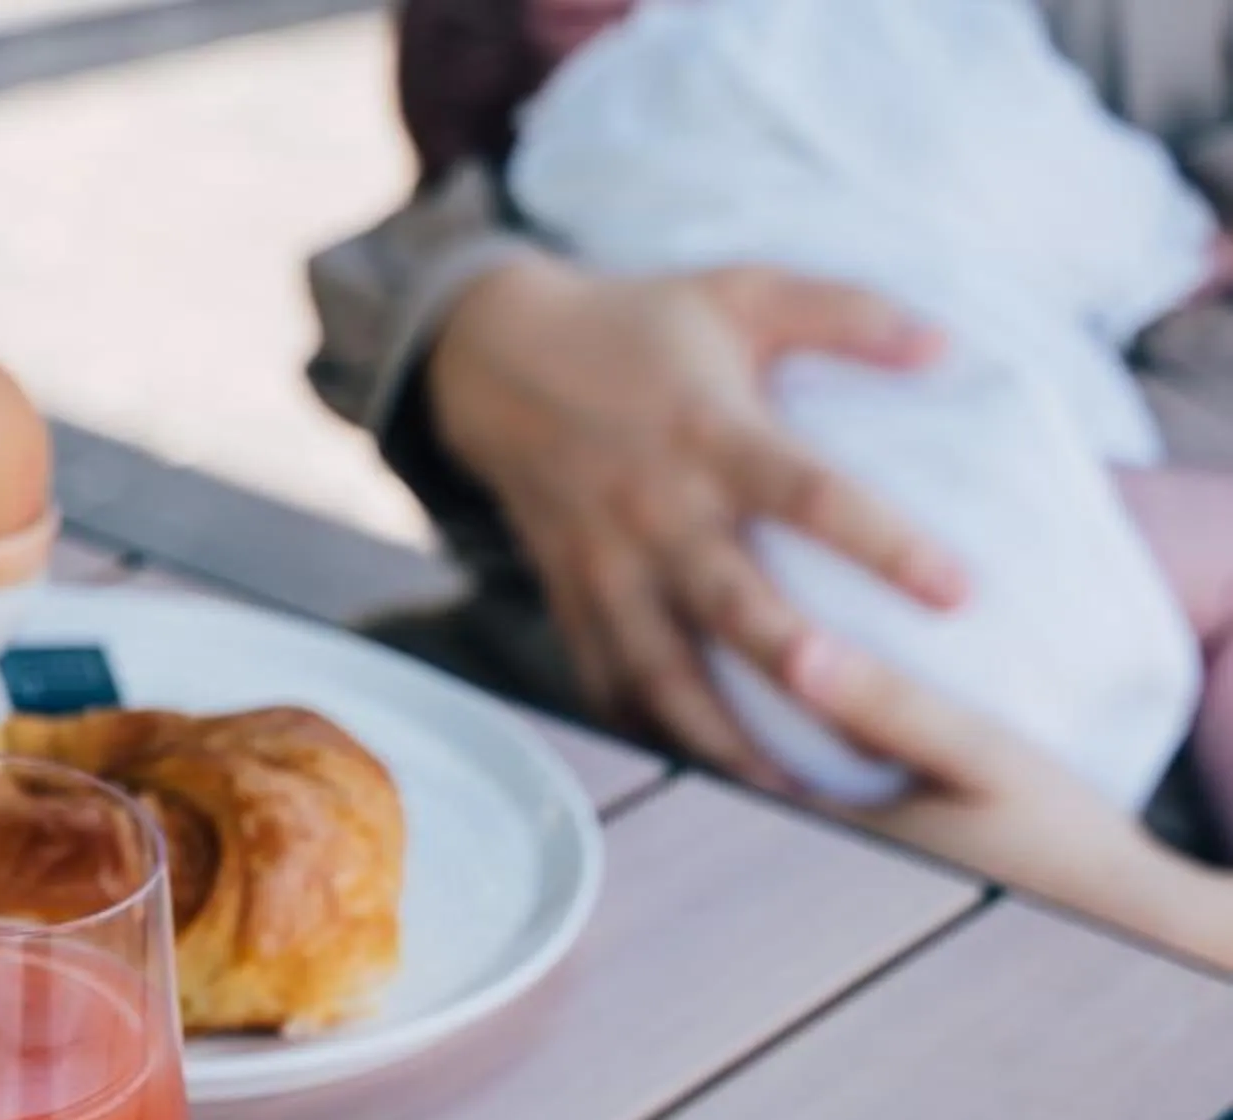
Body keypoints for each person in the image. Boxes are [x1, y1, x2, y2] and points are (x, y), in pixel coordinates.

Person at [312, 0, 1233, 964]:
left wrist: (1173, 916)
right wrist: (487, 327)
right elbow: (1081, 201)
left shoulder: (680, 94)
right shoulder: (769, 56)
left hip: (736, 697)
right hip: (921, 604)